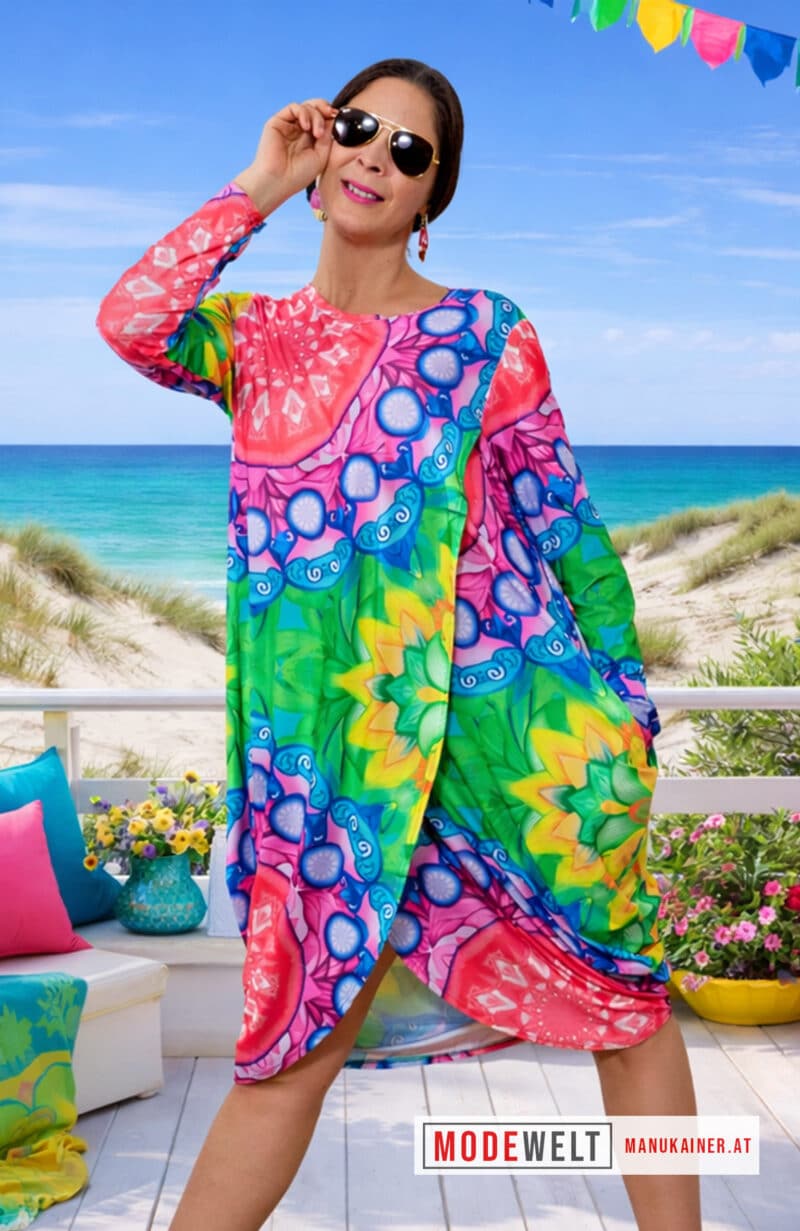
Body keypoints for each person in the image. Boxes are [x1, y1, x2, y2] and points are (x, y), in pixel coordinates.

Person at [96, 57, 701, 1231]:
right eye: (357, 127)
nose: (376, 154)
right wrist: (259, 183)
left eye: (408, 150)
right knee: (286, 1053)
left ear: (431, 195)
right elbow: (132, 319)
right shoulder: (253, 339)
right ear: (323, 148)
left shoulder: (484, 332)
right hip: (332, 770)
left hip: (515, 747)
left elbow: (566, 528)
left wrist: (627, 710)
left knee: (627, 1013)